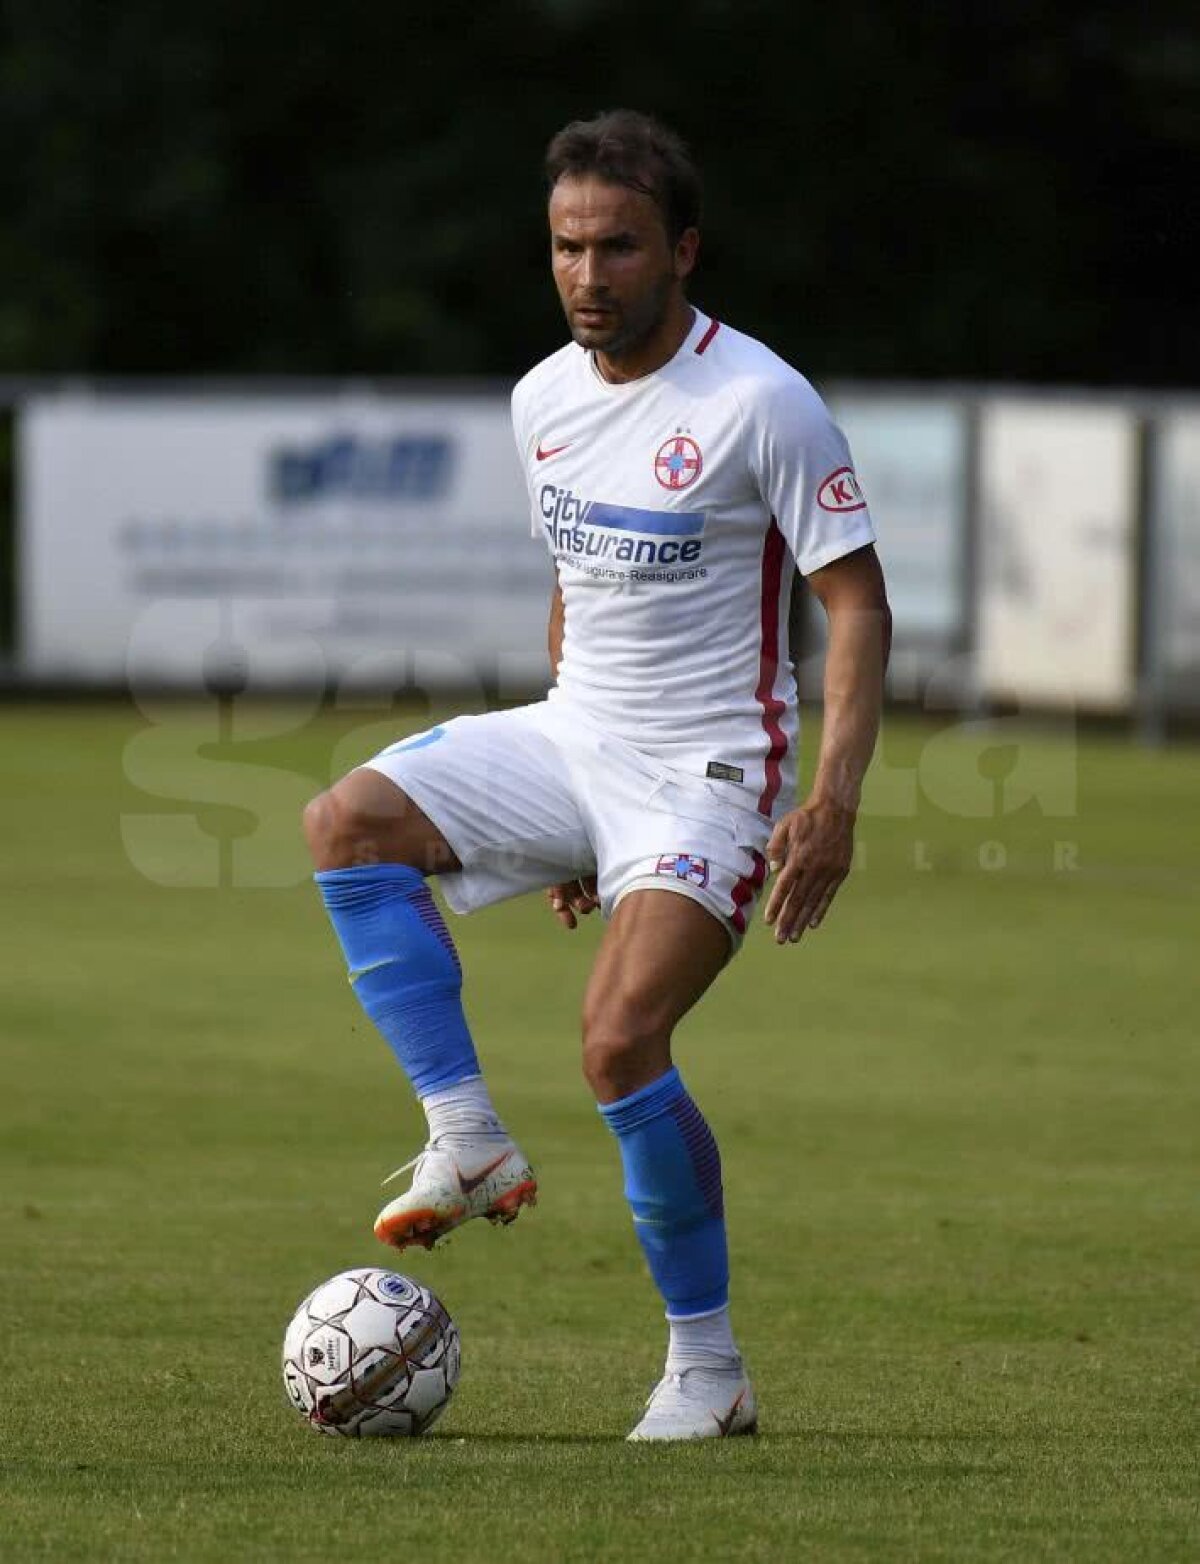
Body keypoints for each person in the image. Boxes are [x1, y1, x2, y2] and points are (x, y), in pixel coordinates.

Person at [303, 109, 891, 1442]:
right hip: (576, 739)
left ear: (680, 249)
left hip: (710, 773)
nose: (587, 273)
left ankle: (708, 1368)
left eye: (617, 245)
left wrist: (834, 801)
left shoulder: (760, 403)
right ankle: (466, 1136)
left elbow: (856, 610)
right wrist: (559, 818)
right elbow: (573, 587)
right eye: (567, 245)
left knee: (620, 1040)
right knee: (348, 823)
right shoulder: (542, 401)